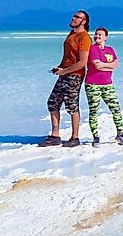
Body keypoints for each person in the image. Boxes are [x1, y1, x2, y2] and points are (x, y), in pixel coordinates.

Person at [38, 10, 91, 148]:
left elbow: (82, 62)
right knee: (52, 102)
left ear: (83, 21)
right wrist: (60, 67)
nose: (73, 18)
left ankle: (75, 137)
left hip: (75, 76)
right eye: (73, 16)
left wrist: (65, 71)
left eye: (77, 17)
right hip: (65, 73)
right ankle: (55, 136)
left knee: (72, 106)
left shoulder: (84, 38)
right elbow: (68, 56)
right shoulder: (72, 34)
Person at [85, 27, 123, 147]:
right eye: (96, 34)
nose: (97, 36)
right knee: (94, 111)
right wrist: (109, 66)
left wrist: (105, 65)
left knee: (116, 109)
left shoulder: (110, 49)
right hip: (93, 85)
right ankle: (95, 137)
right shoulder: (93, 49)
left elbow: (116, 64)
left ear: (105, 37)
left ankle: (120, 133)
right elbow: (97, 66)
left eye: (100, 35)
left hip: (108, 84)